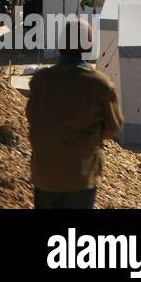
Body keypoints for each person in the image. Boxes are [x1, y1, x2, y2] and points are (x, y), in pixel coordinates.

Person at [26, 18, 123, 209]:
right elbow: (113, 127)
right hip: (81, 175)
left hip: (45, 174)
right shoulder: (100, 84)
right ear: (88, 46)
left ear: (61, 44)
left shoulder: (41, 81)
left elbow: (32, 116)